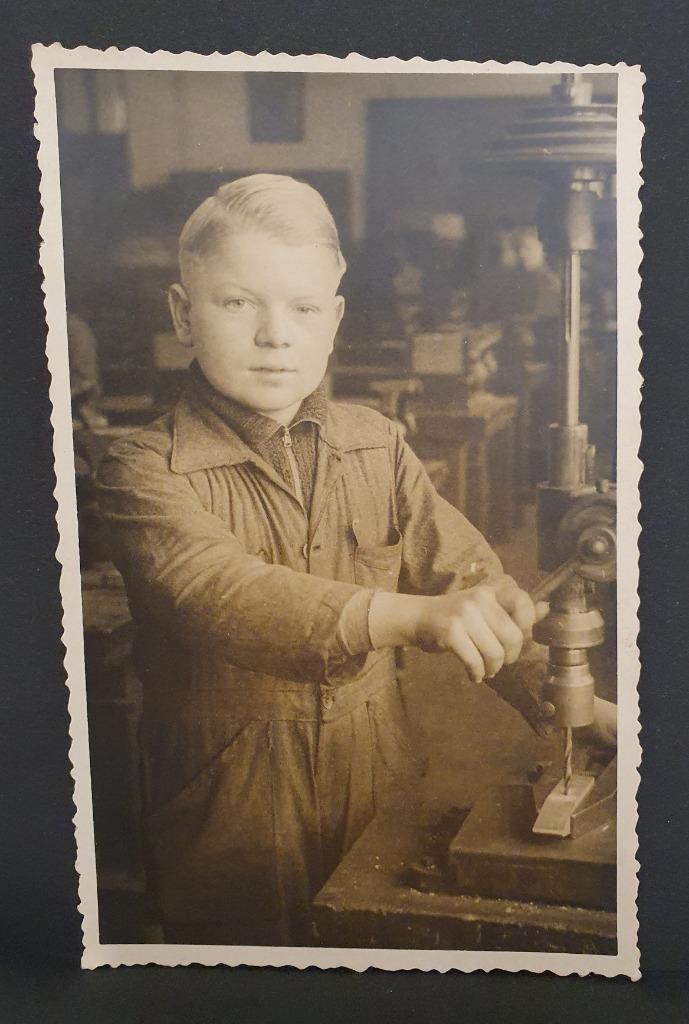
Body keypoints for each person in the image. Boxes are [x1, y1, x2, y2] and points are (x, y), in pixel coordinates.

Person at [97, 175, 615, 946]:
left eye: (303, 308)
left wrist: (570, 702)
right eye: (239, 303)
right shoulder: (141, 468)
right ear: (182, 314)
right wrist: (412, 618)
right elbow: (218, 592)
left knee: (378, 955)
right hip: (225, 802)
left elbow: (472, 585)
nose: (276, 334)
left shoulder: (375, 445)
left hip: (377, 771)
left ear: (333, 320)